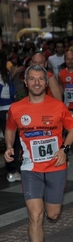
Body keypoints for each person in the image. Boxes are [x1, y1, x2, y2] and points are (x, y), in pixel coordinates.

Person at [4, 65, 73, 242]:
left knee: (52, 215)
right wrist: (9, 146)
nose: (37, 83)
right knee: (35, 215)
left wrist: (64, 149)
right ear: (25, 82)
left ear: (46, 83)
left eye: (41, 79)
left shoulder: (58, 106)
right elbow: (10, 128)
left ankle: (46, 202)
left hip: (56, 166)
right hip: (30, 168)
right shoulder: (16, 108)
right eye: (32, 79)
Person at [0, 50, 21, 182]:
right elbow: (8, 93)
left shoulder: (5, 75)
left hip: (4, 111)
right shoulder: (3, 75)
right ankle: (12, 170)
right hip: (7, 111)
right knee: (13, 141)